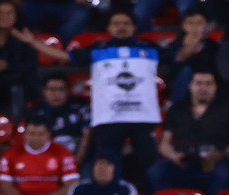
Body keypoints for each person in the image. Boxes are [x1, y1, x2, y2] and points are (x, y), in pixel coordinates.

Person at [27, 12, 163, 173]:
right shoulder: (98, 50)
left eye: (126, 23)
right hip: (108, 118)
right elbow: (65, 56)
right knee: (108, 164)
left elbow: (179, 57)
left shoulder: (149, 48)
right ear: (108, 28)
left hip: (143, 117)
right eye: (116, 23)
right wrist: (33, 43)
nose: (121, 27)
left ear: (134, 27)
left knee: (150, 164)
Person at [149, 71, 229, 195]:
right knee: (156, 171)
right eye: (199, 83)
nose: (203, 88)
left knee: (222, 174)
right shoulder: (176, 109)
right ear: (190, 86)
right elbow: (165, 143)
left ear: (215, 87)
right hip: (181, 162)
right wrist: (172, 155)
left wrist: (222, 154)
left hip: (212, 164)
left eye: (208, 84)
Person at [0, 116, 78, 195]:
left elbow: (71, 184)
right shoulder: (11, 153)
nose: (36, 138)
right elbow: (6, 184)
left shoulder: (62, 153)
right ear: (24, 134)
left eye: (40, 134)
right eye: (32, 134)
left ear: (48, 134)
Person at [28, 72, 90, 166]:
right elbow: (32, 138)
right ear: (44, 91)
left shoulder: (80, 105)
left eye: (61, 90)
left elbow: (87, 134)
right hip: (47, 159)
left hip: (80, 156)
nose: (56, 94)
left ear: (68, 91)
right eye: (52, 90)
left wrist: (78, 158)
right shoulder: (36, 110)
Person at [164, 7, 220, 104]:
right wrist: (190, 46)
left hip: (208, 86)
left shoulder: (214, 46)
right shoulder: (174, 46)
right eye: (190, 23)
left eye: (199, 23)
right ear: (183, 26)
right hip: (182, 89)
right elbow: (172, 70)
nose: (195, 27)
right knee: (186, 71)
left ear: (207, 25)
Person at [63, 150, 139, 195]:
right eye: (99, 163)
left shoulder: (126, 190)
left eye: (107, 164)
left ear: (116, 168)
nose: (102, 168)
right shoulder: (78, 188)